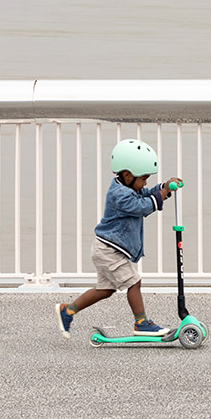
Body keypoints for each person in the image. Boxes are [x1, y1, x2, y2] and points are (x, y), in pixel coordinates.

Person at [57, 138, 182, 339]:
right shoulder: (120, 195)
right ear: (126, 175)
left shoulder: (130, 187)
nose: (145, 183)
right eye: (143, 178)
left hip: (107, 248)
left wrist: (164, 187)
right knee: (134, 282)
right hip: (108, 250)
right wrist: (163, 194)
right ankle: (141, 323)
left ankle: (68, 310)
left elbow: (147, 193)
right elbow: (142, 206)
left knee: (105, 290)